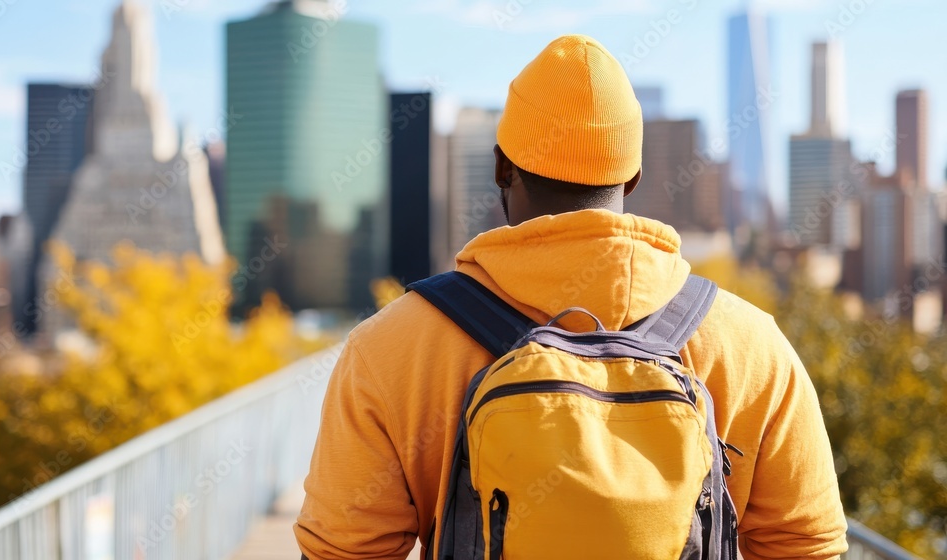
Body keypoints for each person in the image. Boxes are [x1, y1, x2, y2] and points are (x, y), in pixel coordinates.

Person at [295, 34, 847, 559]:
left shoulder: (390, 348)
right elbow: (808, 545)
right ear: (631, 177)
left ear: (500, 167)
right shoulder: (751, 346)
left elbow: (340, 549)